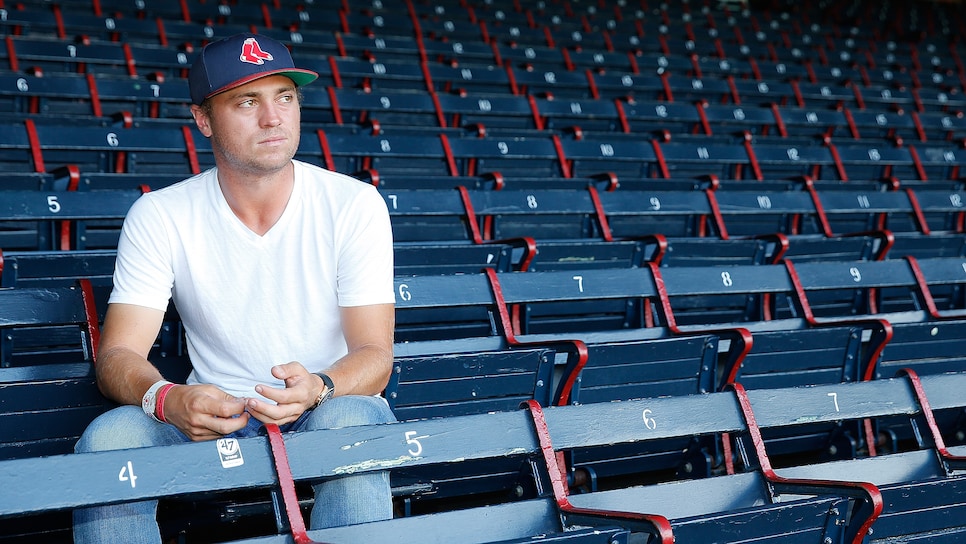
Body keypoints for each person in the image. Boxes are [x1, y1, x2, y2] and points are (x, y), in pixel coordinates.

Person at [73, 33, 397, 543]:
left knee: (354, 424)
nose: (273, 118)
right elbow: (117, 355)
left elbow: (376, 355)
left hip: (326, 406)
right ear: (203, 119)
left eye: (284, 97)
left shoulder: (354, 204)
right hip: (215, 417)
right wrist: (166, 397)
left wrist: (319, 386)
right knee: (110, 437)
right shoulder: (161, 214)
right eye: (247, 101)